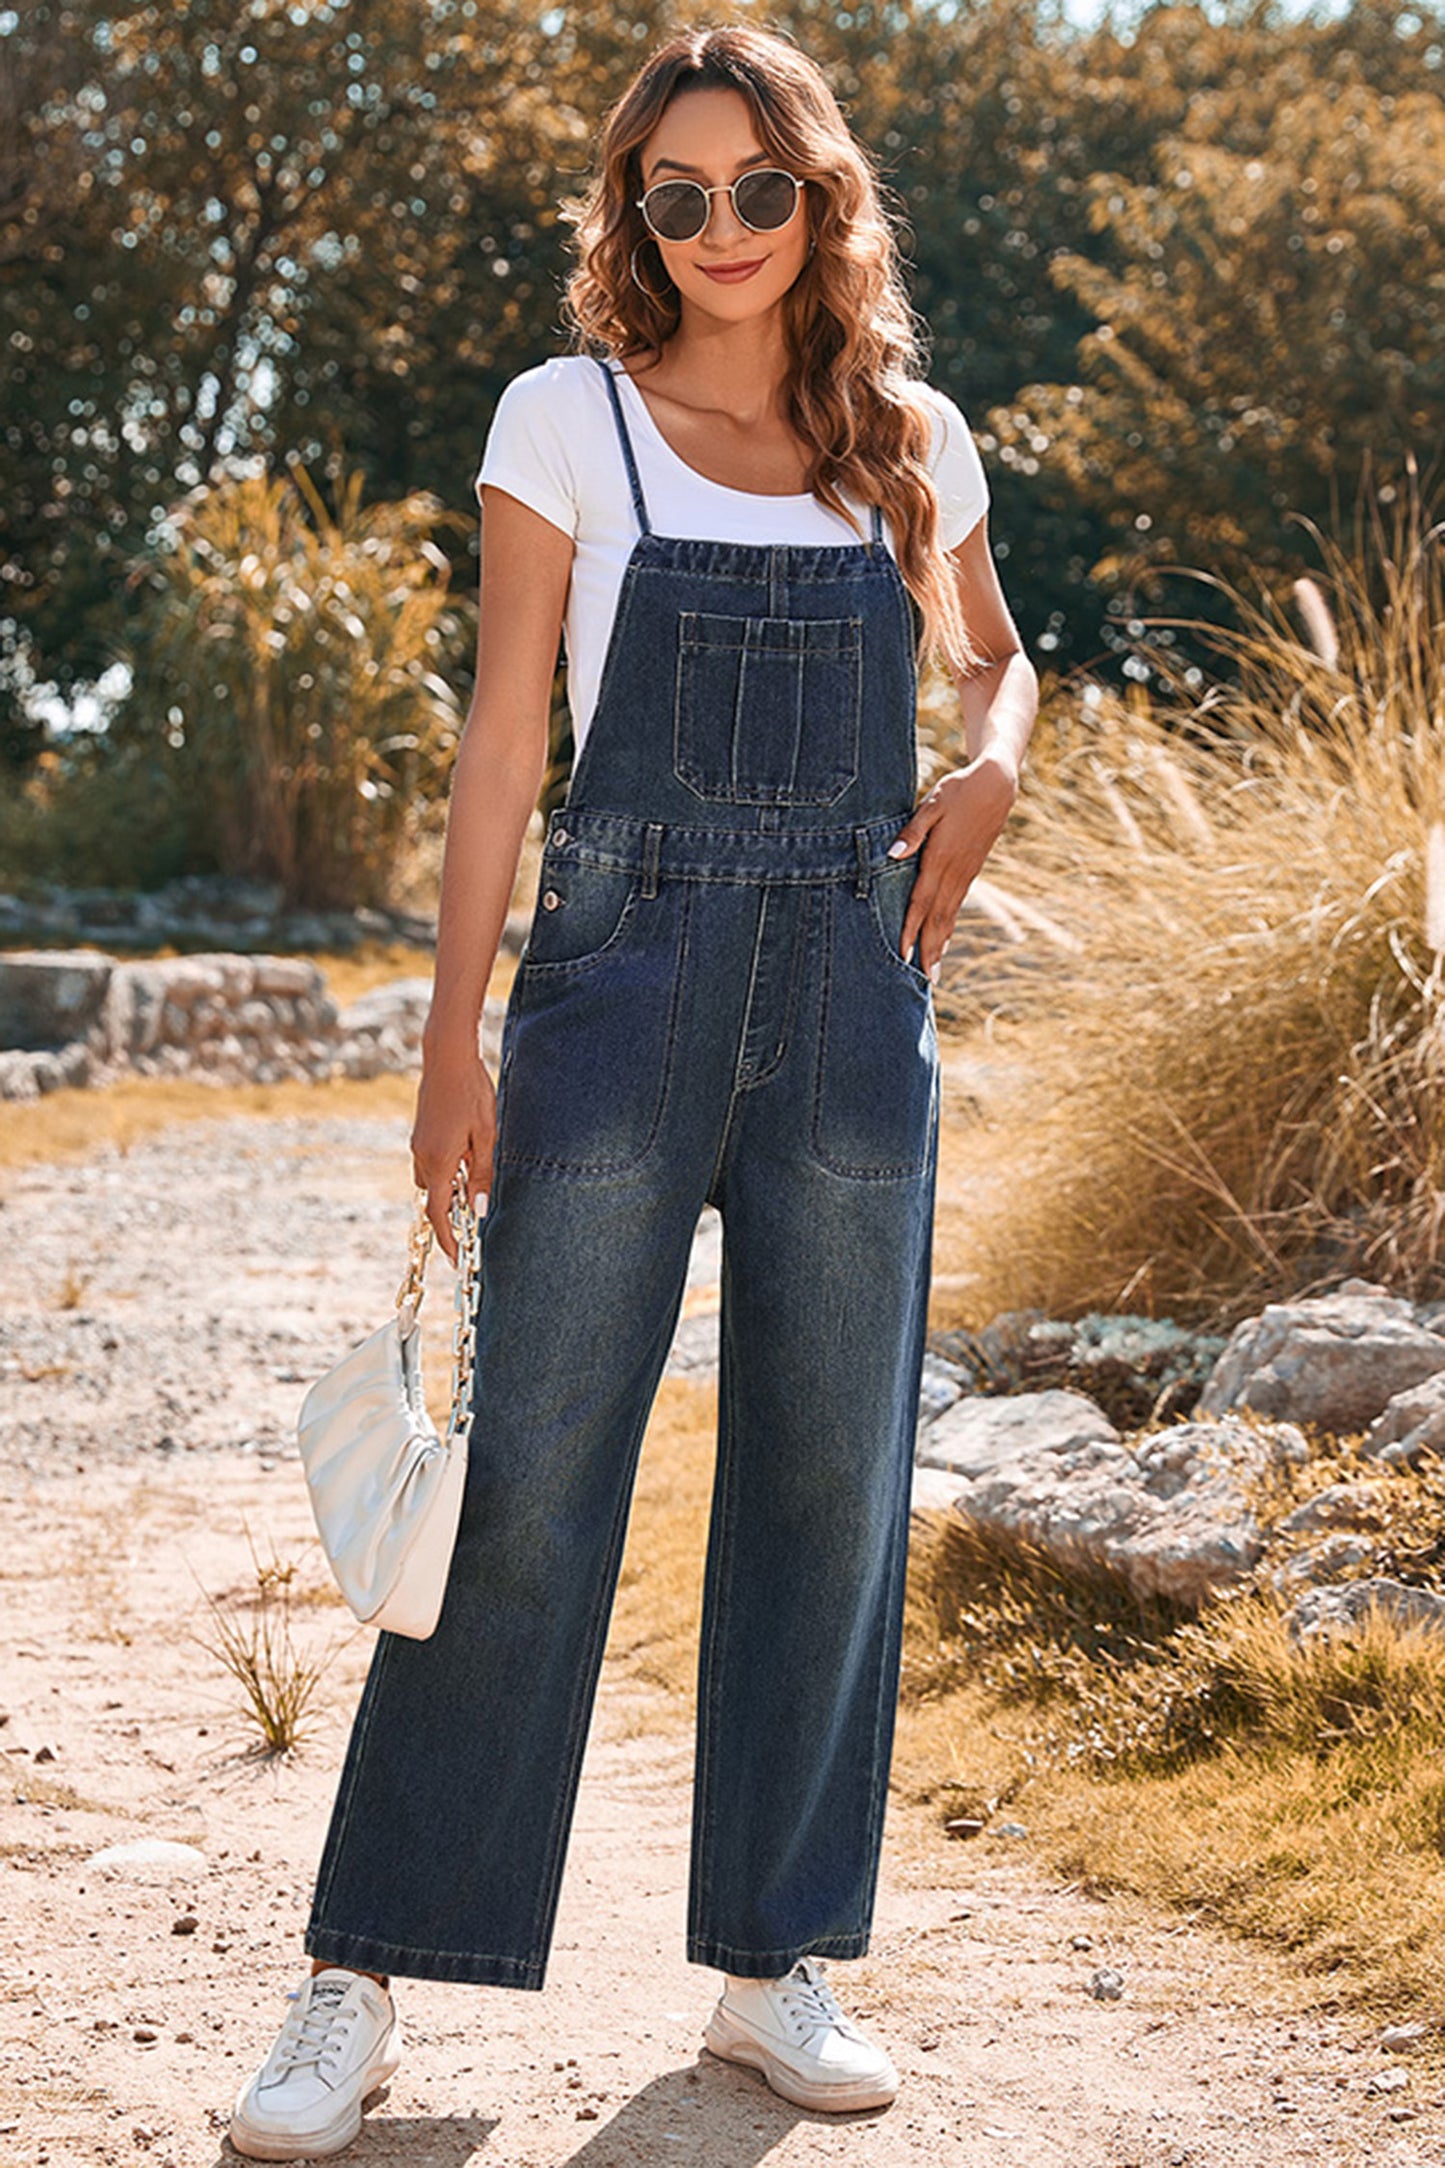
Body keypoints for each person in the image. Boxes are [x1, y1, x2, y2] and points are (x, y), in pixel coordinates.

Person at [229, 21, 1036, 2160]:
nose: (720, 230)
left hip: (857, 991)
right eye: (674, 196)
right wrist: (446, 1039)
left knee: (826, 1475)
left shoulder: (912, 438)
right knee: (533, 1471)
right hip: (617, 970)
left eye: (757, 188)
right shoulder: (565, 416)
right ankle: (361, 1968)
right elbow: (505, 743)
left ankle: (778, 1962)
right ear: (635, 215)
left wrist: (1004, 759)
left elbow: (999, 649)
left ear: (821, 195)